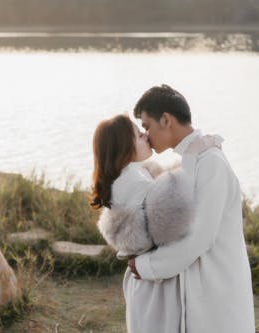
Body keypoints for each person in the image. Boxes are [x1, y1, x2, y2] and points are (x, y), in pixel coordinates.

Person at [127, 84, 255, 332]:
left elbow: (199, 238)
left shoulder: (211, 163)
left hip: (217, 290)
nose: (146, 136)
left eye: (146, 126)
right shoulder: (192, 159)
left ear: (165, 119)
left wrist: (146, 266)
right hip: (197, 289)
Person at [90, 113, 215, 332]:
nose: (146, 136)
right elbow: (172, 218)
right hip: (153, 282)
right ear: (124, 146)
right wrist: (193, 157)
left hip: (145, 278)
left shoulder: (130, 175)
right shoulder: (134, 181)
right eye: (139, 135)